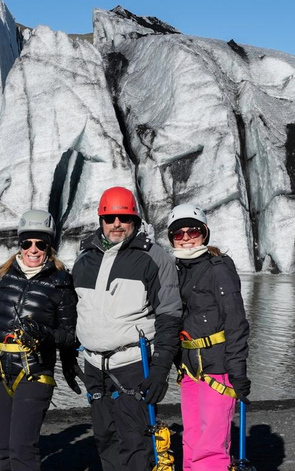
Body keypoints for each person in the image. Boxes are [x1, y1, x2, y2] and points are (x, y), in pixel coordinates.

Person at [71, 186, 182, 471]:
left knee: (135, 443)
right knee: (105, 438)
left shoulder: (153, 257)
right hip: (94, 366)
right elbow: (76, 311)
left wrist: (160, 370)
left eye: (123, 218)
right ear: (101, 221)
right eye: (110, 219)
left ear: (134, 219)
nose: (116, 224)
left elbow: (170, 316)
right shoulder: (85, 257)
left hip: (133, 365)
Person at [0, 209, 78, 471]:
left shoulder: (60, 282)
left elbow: (69, 335)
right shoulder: (0, 277)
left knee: (22, 448)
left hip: (34, 372)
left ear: (49, 247)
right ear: (20, 244)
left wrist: (45, 334)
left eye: (40, 244)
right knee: (4, 447)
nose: (33, 249)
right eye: (27, 242)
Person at [167, 204, 250, 471]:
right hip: (190, 369)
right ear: (171, 239)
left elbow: (236, 321)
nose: (187, 238)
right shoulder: (177, 271)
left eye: (193, 231)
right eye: (179, 234)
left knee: (211, 448)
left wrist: (238, 371)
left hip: (218, 368)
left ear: (205, 233)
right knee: (191, 441)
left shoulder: (219, 269)